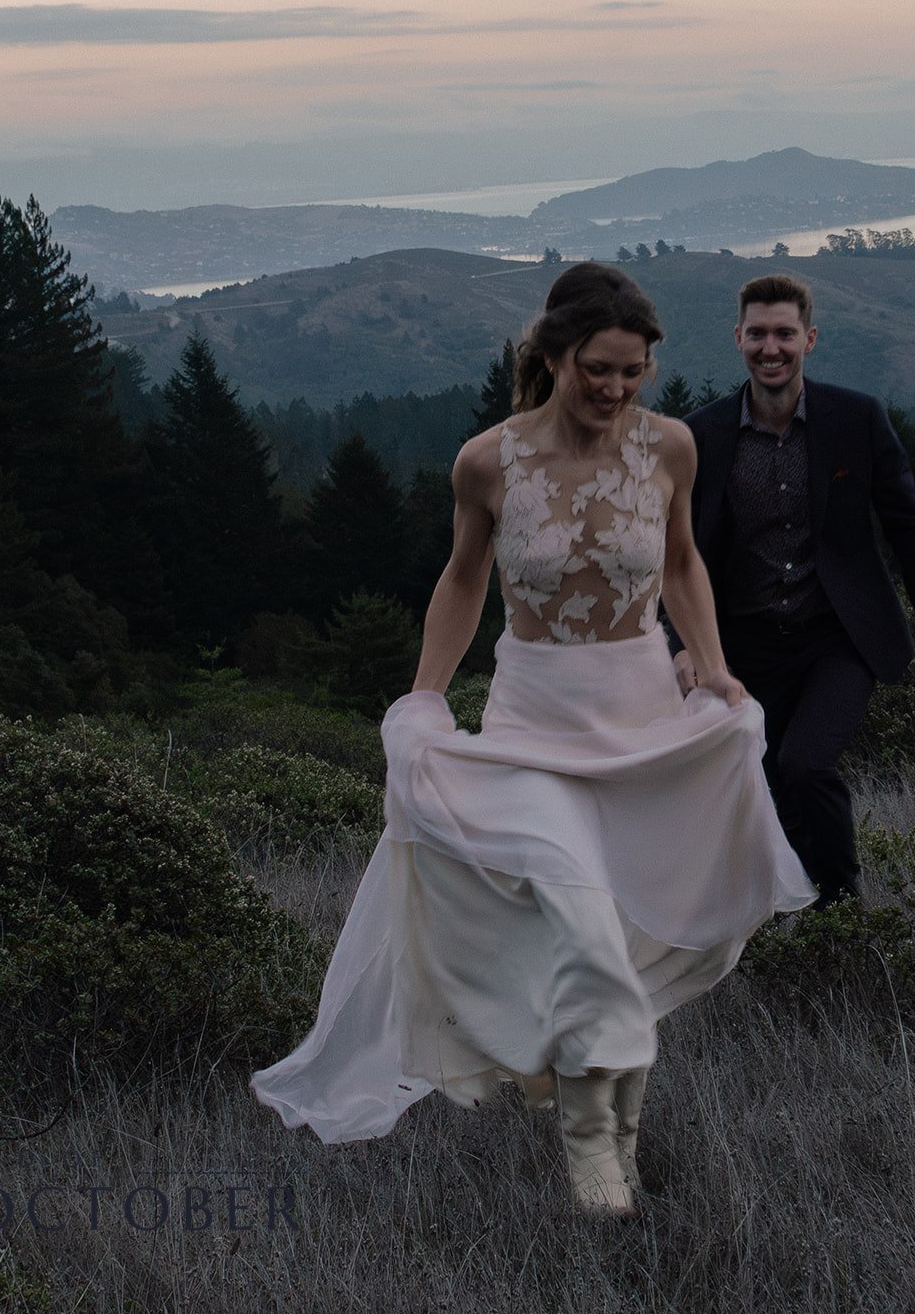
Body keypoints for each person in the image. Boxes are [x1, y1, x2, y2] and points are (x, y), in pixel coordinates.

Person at [251, 262, 813, 1218]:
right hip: (530, 731)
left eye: (633, 373)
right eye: (598, 369)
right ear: (551, 357)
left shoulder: (670, 448)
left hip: (640, 723)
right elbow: (463, 581)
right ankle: (591, 1155)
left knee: (631, 939)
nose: (615, 390)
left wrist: (713, 671)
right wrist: (425, 701)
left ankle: (619, 1146)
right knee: (587, 926)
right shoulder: (488, 462)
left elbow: (681, 562)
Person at [671, 273, 915, 907]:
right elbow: (676, 553)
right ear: (736, 338)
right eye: (757, 334)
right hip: (741, 644)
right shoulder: (700, 436)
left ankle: (843, 914)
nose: (770, 348)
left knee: (805, 765)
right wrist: (684, 643)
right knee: (763, 781)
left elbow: (909, 526)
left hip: (838, 636)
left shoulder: (856, 418)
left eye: (784, 334)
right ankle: (782, 912)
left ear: (810, 338)